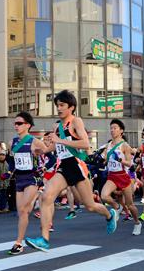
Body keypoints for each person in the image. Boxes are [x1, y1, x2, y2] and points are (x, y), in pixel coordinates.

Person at [25, 90, 117, 252]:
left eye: (62, 105)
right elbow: (56, 145)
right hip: (63, 166)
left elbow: (85, 144)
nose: (59, 108)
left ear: (71, 107)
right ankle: (44, 239)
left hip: (77, 165)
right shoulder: (56, 126)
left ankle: (110, 215)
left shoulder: (76, 122)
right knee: (46, 196)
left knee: (89, 206)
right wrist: (44, 150)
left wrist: (60, 140)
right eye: (57, 105)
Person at [7, 112, 48, 255]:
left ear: (28, 125)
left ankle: (18, 242)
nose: (16, 126)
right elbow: (12, 161)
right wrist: (9, 172)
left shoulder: (35, 141)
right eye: (15, 123)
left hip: (32, 178)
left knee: (24, 209)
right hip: (19, 179)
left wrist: (43, 167)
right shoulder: (12, 142)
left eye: (19, 123)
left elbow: (49, 155)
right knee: (22, 213)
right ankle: (20, 244)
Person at [100, 119, 142, 236]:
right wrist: (100, 160)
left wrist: (119, 159)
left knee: (130, 205)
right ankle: (117, 207)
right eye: (111, 128)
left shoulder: (125, 146)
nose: (112, 130)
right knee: (104, 196)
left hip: (124, 177)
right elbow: (105, 160)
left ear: (121, 131)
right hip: (112, 176)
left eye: (115, 128)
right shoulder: (108, 145)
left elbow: (130, 163)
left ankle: (137, 223)